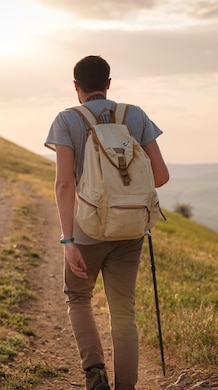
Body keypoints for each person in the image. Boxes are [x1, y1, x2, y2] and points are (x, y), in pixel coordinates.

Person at [45, 55, 169, 390]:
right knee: (123, 313)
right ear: (109, 84)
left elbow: (64, 184)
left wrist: (68, 241)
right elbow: (160, 176)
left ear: (76, 87)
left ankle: (95, 373)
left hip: (87, 231)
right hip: (130, 231)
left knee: (78, 297)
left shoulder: (66, 120)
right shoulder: (136, 115)